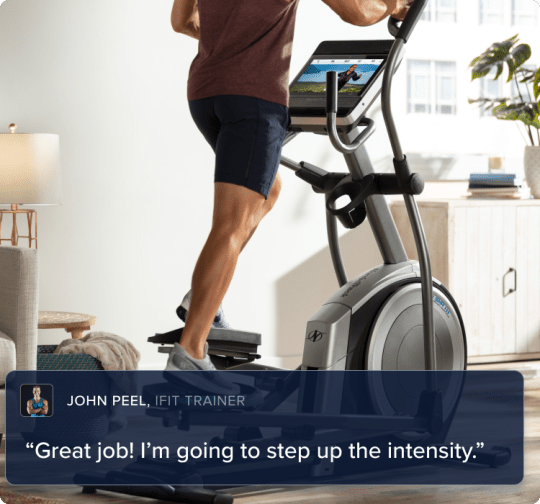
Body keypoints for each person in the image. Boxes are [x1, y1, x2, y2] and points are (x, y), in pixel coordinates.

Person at [166, 0, 414, 383]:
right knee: (231, 224)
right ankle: (190, 353)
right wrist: (394, 5)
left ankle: (200, 302)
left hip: (204, 93)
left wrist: (227, 42)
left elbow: (181, 21)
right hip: (253, 97)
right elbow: (358, 12)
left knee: (267, 190)